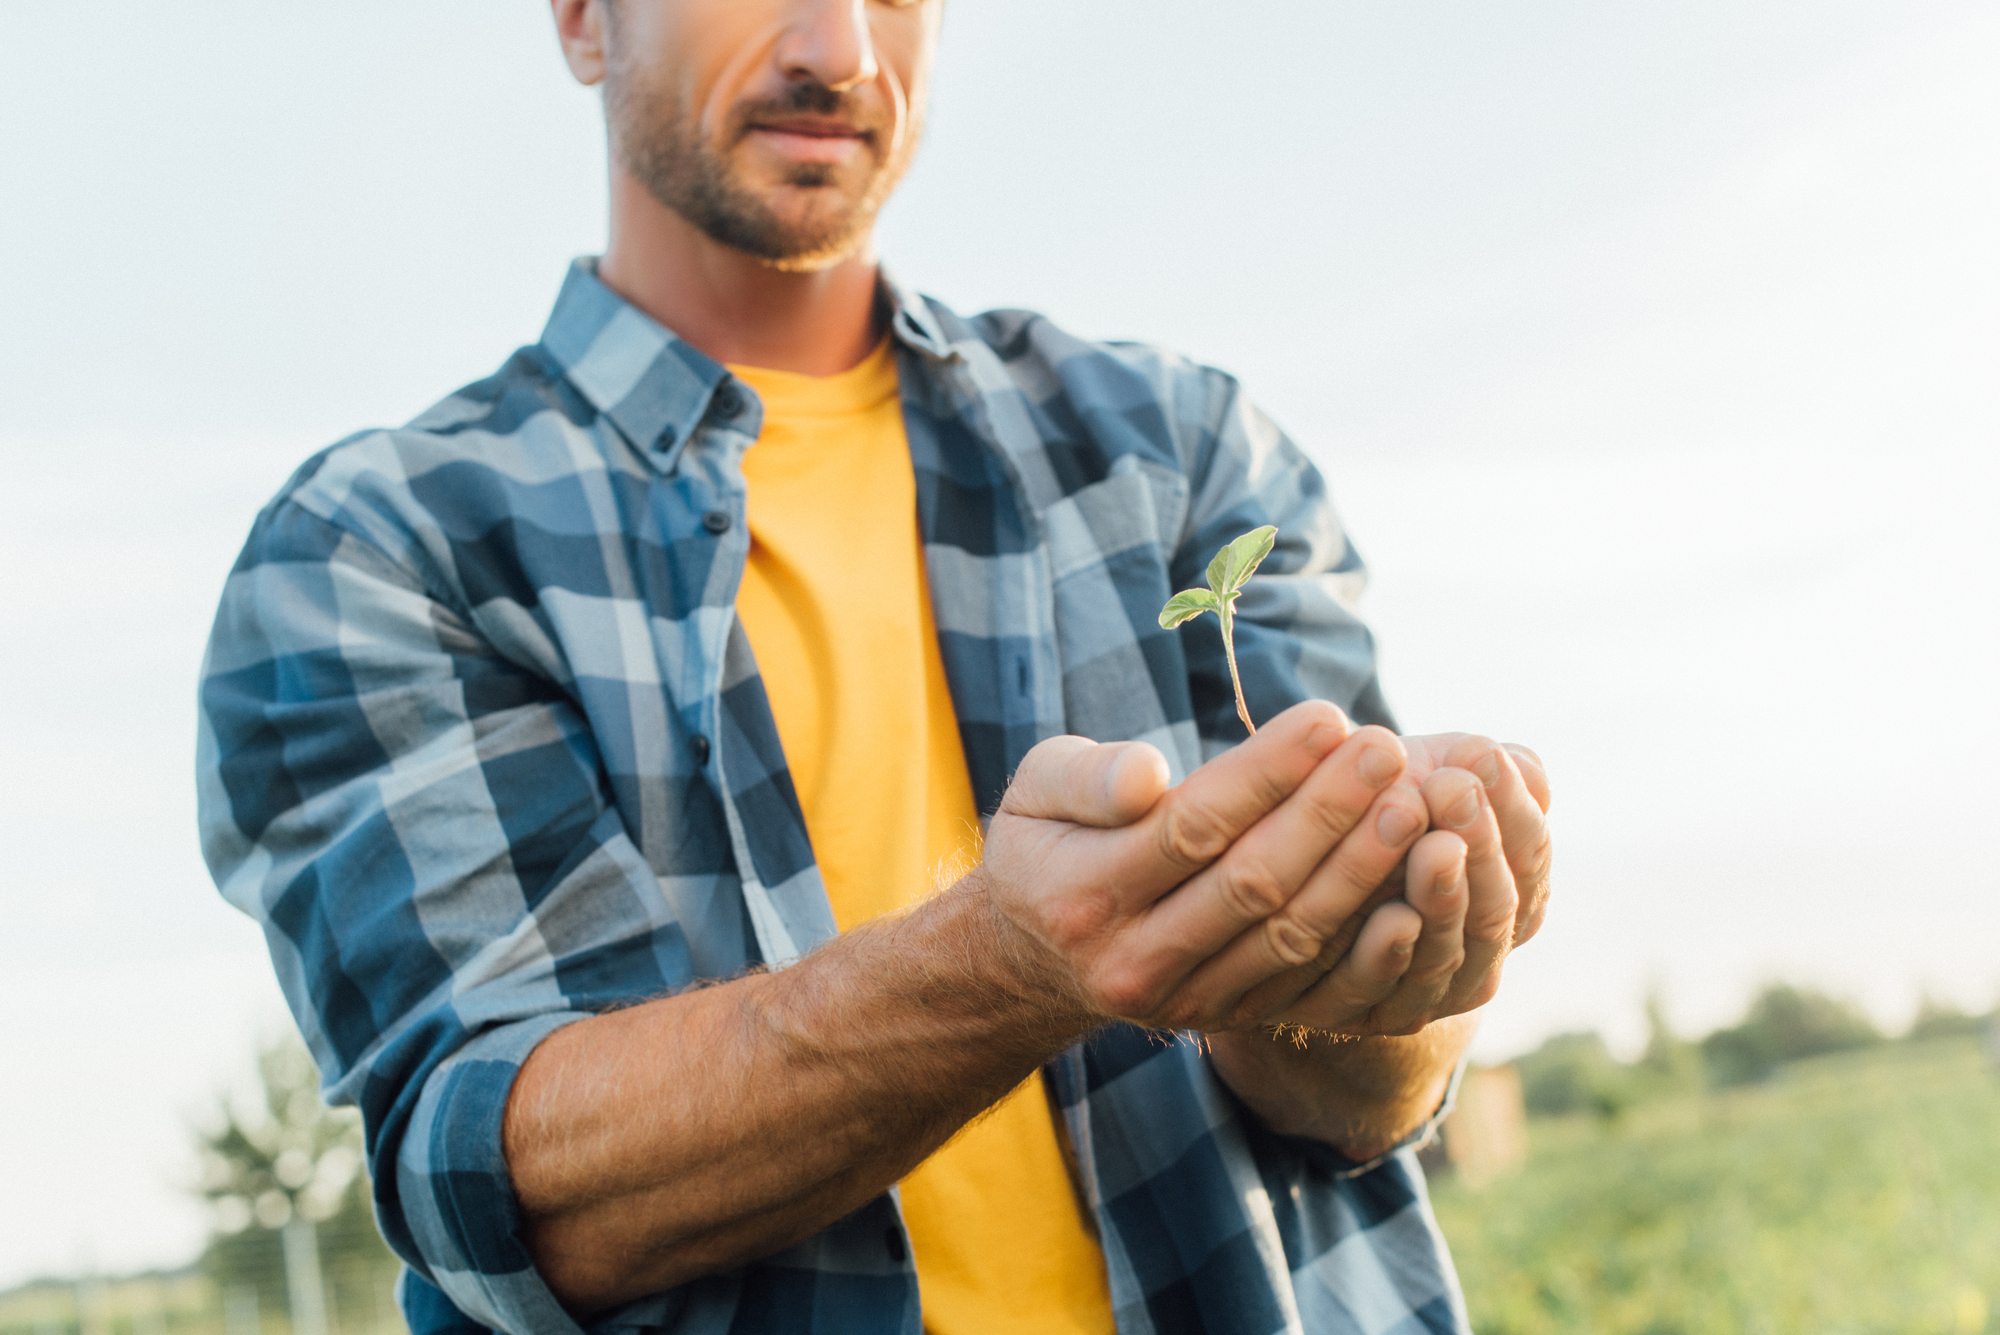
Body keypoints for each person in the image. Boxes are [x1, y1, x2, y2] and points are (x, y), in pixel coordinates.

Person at [195, 2, 1554, 1332]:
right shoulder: (383, 549)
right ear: (580, 21)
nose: (837, 49)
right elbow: (514, 1191)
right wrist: (1011, 960)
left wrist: (1375, 959)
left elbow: (1375, 1100)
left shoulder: (1179, 446)